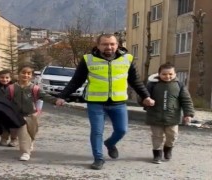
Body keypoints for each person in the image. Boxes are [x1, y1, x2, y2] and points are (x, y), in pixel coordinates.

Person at [56, 34, 155, 170]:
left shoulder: (127, 59)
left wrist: (146, 96)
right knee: (97, 131)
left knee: (122, 130)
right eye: (105, 44)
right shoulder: (88, 59)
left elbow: (135, 81)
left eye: (112, 44)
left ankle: (109, 143)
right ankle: (98, 158)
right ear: (98, 45)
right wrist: (63, 96)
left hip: (118, 102)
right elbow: (76, 81)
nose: (109, 47)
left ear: (117, 45)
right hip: (95, 103)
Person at [143, 63, 194, 164]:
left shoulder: (179, 85)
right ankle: (157, 154)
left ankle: (168, 149)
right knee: (157, 136)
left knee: (172, 135)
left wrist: (188, 114)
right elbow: (143, 96)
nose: (167, 76)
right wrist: (145, 101)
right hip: (155, 115)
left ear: (175, 74)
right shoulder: (152, 84)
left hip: (172, 117)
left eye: (170, 74)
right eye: (164, 74)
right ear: (159, 74)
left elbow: (186, 100)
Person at [12, 62, 56, 161]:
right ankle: (25, 152)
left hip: (31, 114)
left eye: (28, 73)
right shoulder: (12, 88)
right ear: (18, 74)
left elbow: (46, 97)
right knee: (23, 133)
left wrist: (57, 101)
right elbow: (5, 100)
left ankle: (30, 142)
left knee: (32, 132)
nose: (26, 75)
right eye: (23, 72)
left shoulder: (34, 88)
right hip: (18, 115)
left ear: (31, 76)